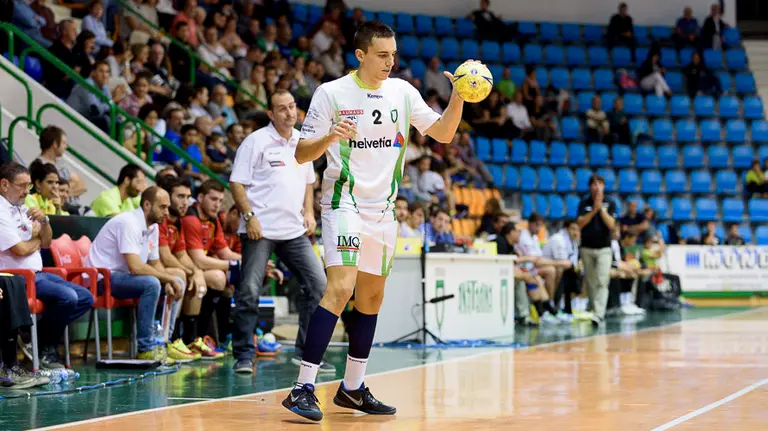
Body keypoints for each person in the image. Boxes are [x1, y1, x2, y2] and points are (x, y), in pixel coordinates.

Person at [282, 20, 465, 421]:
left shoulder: (402, 91)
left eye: (394, 55)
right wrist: (330, 136)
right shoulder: (331, 93)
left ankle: (352, 389)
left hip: (383, 211)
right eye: (382, 55)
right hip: (343, 203)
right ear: (360, 55)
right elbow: (300, 154)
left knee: (371, 299)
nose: (390, 62)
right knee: (341, 287)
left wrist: (459, 97)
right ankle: (303, 387)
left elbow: (445, 133)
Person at [230, 89, 333, 374]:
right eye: (282, 109)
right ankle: (243, 355)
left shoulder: (304, 141)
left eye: (292, 107)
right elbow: (237, 183)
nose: (290, 113)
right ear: (271, 114)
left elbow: (309, 182)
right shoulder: (256, 141)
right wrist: (249, 217)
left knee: (319, 286)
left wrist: (310, 212)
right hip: (259, 230)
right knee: (249, 290)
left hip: (294, 230)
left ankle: (307, 353)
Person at [0, 163, 93, 369]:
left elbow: (47, 242)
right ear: (4, 185)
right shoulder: (1, 210)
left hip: (39, 274)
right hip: (17, 278)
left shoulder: (23, 208)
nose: (27, 191)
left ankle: (36, 338)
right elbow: (20, 250)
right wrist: (36, 241)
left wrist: (44, 223)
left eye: (29, 187)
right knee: (68, 297)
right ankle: (43, 347)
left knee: (86, 297)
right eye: (22, 186)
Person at [85, 187, 185, 362]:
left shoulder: (153, 227)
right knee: (152, 284)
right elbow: (136, 267)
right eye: (162, 207)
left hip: (124, 278)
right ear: (147, 205)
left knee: (177, 282)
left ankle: (163, 343)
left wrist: (169, 280)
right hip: (102, 278)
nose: (167, 213)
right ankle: (145, 348)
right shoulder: (128, 222)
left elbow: (154, 264)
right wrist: (165, 278)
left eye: (167, 207)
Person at [576, 174, 618, 328]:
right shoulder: (584, 203)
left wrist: (601, 209)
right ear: (589, 187)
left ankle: (599, 313)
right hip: (587, 247)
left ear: (604, 186)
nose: (597, 186)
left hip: (604, 248)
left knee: (602, 280)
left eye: (600, 183)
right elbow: (579, 223)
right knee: (591, 281)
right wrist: (594, 210)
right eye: (594, 183)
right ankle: (593, 308)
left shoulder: (610, 203)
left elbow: (612, 225)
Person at [34, 126, 87, 212]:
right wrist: (71, 186)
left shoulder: (62, 162)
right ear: (55, 144)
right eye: (64, 143)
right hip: (58, 208)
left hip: (73, 207)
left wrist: (64, 193)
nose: (66, 147)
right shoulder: (39, 165)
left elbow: (83, 186)